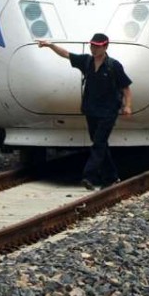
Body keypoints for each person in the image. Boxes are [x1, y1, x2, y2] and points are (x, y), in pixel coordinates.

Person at [38, 33, 132, 190]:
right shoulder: (86, 61)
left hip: (109, 111)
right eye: (92, 45)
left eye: (97, 46)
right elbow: (66, 55)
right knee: (99, 143)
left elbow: (126, 88)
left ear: (105, 46)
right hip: (91, 110)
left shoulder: (114, 65)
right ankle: (112, 177)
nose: (94, 49)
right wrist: (50, 45)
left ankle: (89, 176)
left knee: (98, 143)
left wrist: (128, 105)